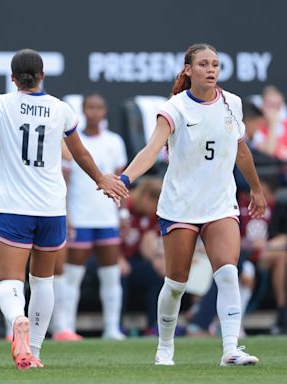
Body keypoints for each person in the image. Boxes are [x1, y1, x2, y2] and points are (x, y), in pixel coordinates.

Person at [0, 49, 128, 370]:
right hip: (51, 207)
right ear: (43, 76)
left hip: (14, 206)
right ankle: (36, 352)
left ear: (13, 78)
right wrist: (101, 179)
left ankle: (17, 320)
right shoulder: (61, 110)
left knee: (11, 283)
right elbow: (80, 154)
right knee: (43, 283)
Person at [119, 43, 266, 366]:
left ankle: (230, 348)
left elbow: (241, 151)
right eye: (203, 64)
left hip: (220, 204)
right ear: (188, 70)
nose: (211, 69)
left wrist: (255, 189)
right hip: (180, 206)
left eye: (215, 64)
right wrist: (125, 179)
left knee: (228, 272)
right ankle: (165, 347)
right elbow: (151, 149)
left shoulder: (232, 103)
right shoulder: (175, 107)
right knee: (175, 284)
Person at [61, 93, 128, 340]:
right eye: (90, 107)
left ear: (105, 111)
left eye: (99, 107)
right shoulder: (71, 142)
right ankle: (67, 327)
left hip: (107, 218)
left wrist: (122, 212)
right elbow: (65, 182)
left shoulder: (115, 142)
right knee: (72, 277)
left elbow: (121, 180)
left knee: (111, 275)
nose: (94, 112)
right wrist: (66, 215)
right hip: (80, 217)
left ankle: (112, 328)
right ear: (83, 110)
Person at [120, 176, 165, 335]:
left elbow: (146, 245)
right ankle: (117, 325)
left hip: (132, 259)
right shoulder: (124, 207)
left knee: (156, 275)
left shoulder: (149, 216)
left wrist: (157, 259)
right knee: (120, 274)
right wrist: (118, 258)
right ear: (147, 197)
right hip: (110, 258)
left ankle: (154, 326)